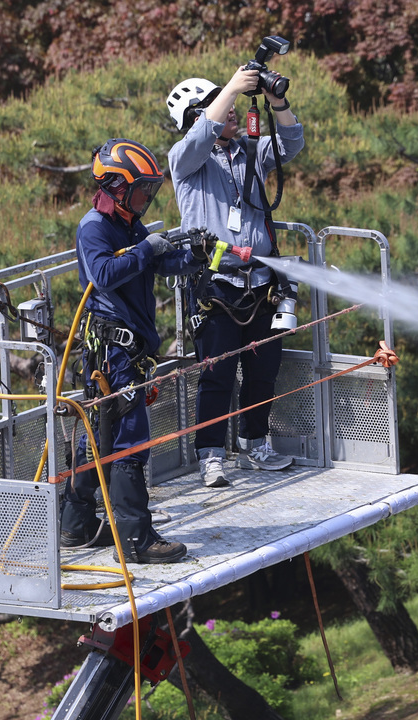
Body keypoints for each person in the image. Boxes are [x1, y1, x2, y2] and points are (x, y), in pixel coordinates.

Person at [167, 65, 305, 488]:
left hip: (260, 282)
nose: (228, 113)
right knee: (216, 375)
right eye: (216, 107)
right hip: (216, 286)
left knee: (263, 370)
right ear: (195, 118)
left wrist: (275, 99)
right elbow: (203, 134)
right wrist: (231, 87)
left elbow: (291, 143)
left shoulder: (248, 151)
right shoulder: (186, 160)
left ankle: (254, 442)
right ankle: (210, 456)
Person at [60, 138, 196, 563]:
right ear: (115, 186)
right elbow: (102, 274)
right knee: (128, 440)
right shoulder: (94, 227)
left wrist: (192, 255)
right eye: (140, 190)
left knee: (98, 438)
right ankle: (138, 541)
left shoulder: (128, 223)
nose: (145, 200)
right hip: (113, 354)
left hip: (126, 349)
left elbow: (153, 263)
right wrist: (145, 249)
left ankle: (76, 527)